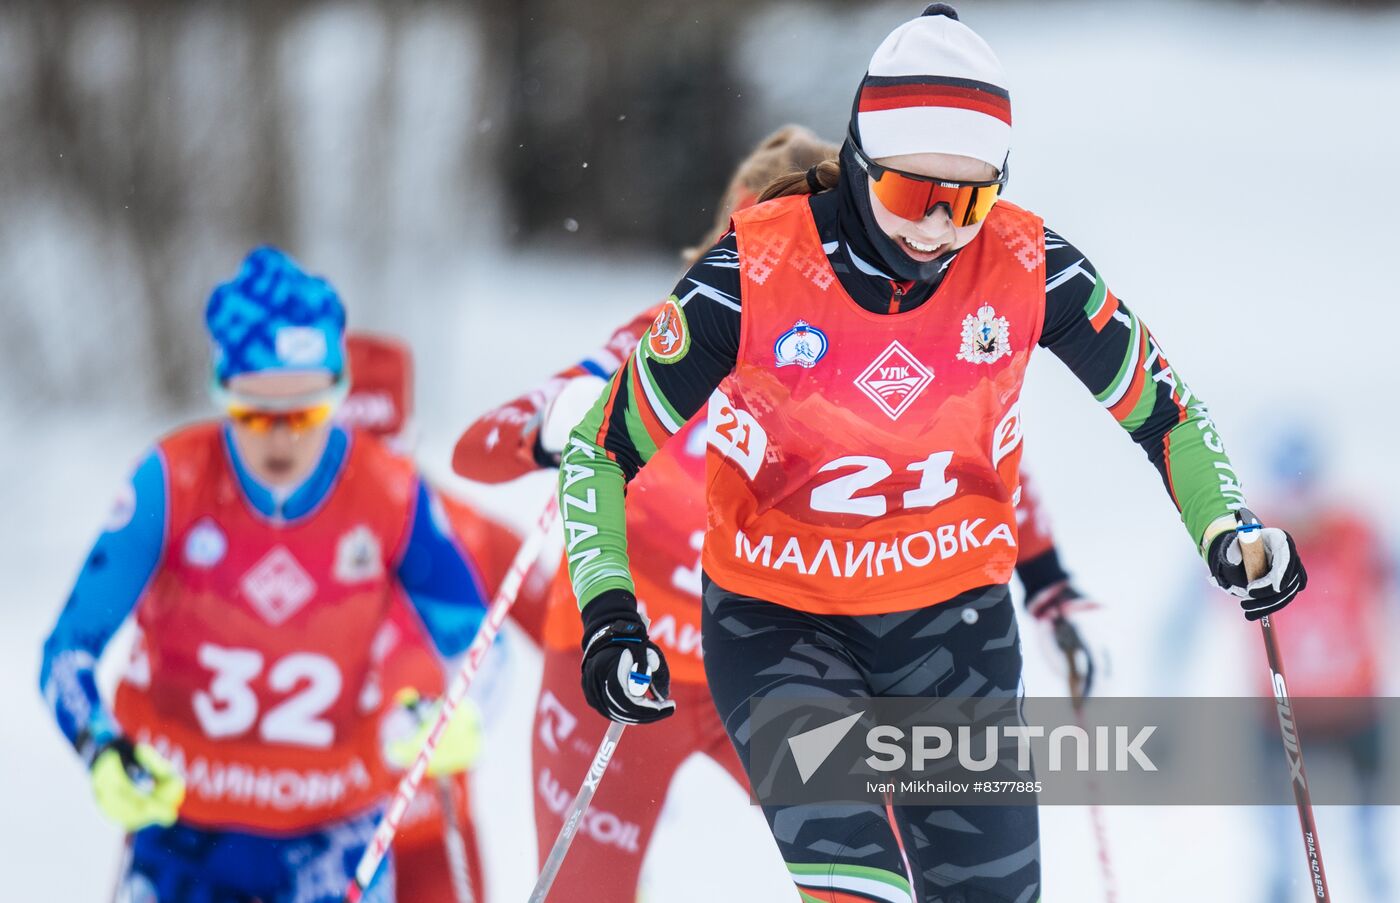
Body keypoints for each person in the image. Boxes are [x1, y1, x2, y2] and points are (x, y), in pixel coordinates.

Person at [555, 6, 1309, 902]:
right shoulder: (752, 273)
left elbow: (1168, 412)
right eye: (914, 195)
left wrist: (1227, 526)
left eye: (969, 199)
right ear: (860, 158)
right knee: (858, 888)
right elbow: (598, 452)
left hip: (952, 633)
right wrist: (609, 614)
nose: (937, 231)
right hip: (782, 625)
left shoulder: (1030, 265)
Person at [455, 125, 1105, 902]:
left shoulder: (862, 346)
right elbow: (475, 449)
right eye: (740, 250)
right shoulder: (661, 340)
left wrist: (1055, 591)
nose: (760, 283)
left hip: (795, 668)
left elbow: (979, 472)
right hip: (631, 665)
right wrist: (553, 422)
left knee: (883, 877)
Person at [39, 248, 489, 903]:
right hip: (183, 828)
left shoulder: (389, 493)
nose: (280, 439)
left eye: (305, 413)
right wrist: (101, 747)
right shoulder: (172, 482)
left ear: (338, 395)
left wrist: (460, 710)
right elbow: (66, 650)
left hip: (335, 833)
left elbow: (481, 641)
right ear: (222, 393)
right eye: (252, 412)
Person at [1160, 427, 1393, 903]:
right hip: (1281, 719)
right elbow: (1185, 613)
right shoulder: (1252, 544)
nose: (1300, 500)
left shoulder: (1355, 532)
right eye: (1290, 486)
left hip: (1356, 710)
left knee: (1371, 849)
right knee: (1282, 859)